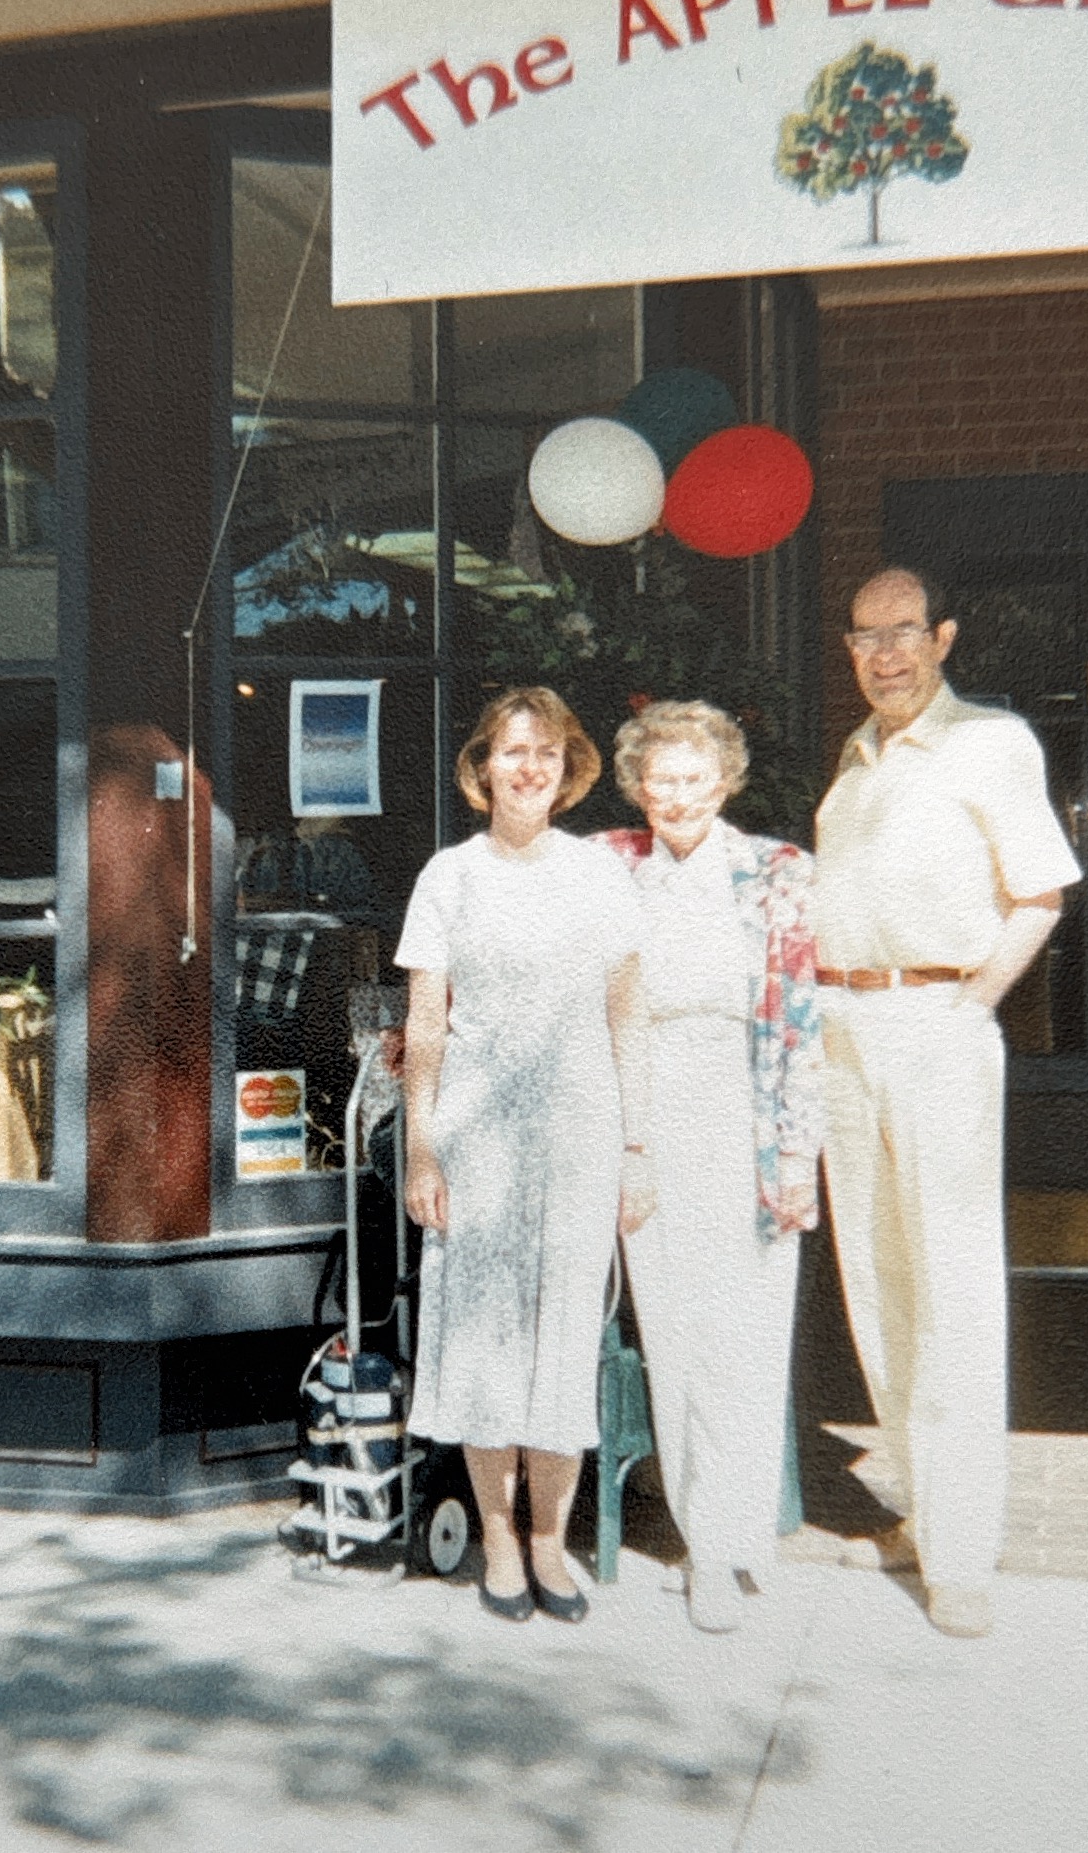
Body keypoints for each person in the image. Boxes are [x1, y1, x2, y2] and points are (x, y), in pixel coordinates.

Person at [813, 567, 1081, 1639]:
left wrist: (972, 1008)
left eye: (906, 633)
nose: (886, 653)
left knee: (953, 1282)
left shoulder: (993, 742)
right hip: (844, 1030)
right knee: (876, 1276)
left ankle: (962, 1552)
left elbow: (1041, 893)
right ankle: (926, 1503)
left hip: (937, 1021)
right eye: (867, 636)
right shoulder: (857, 753)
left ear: (944, 637)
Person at [398, 687, 653, 1625]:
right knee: (483, 1338)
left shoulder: (599, 875)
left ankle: (551, 1537)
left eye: (547, 750)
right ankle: (498, 1539)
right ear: (483, 765)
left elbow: (628, 1016)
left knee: (561, 1335)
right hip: (476, 1131)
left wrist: (637, 1148)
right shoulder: (448, 877)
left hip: (581, 1132)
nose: (530, 766)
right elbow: (427, 1025)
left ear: (570, 767)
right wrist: (424, 1144)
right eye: (512, 750)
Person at [597, 700, 823, 1634]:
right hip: (642, 1111)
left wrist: (799, 1153)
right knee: (677, 1331)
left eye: (695, 777)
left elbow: (800, 1018)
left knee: (747, 1331)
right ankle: (704, 1541)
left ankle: (731, 1541)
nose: (677, 795)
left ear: (725, 780)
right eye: (661, 778)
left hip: (746, 1112)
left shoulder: (776, 871)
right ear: (638, 785)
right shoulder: (611, 867)